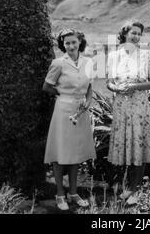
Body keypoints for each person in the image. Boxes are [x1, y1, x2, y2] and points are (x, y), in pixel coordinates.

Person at [43, 29, 96, 210]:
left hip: (81, 112)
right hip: (63, 111)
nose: (71, 46)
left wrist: (88, 102)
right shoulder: (58, 63)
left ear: (80, 42)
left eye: (74, 42)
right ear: (63, 45)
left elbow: (89, 87)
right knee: (60, 152)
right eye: (67, 43)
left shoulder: (88, 62)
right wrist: (63, 95)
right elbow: (47, 86)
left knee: (76, 152)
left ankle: (73, 192)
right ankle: (60, 194)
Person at [106, 20, 150, 204]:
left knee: (138, 144)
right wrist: (117, 89)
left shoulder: (147, 55)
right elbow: (109, 82)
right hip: (121, 106)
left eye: (139, 33)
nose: (136, 36)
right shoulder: (114, 56)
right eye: (133, 33)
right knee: (124, 144)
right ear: (125, 34)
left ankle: (135, 190)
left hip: (139, 107)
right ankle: (126, 188)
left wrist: (135, 86)